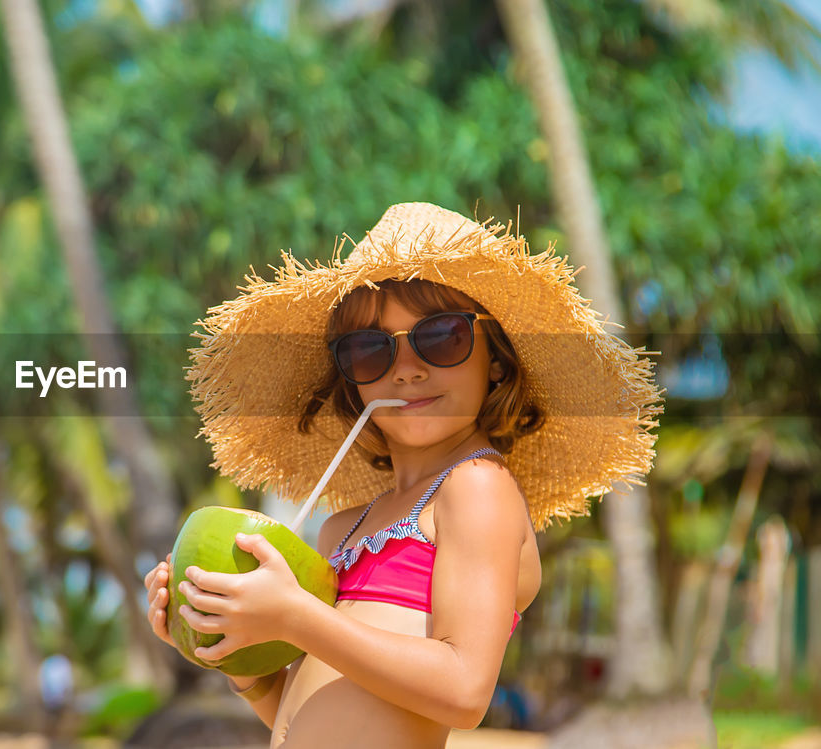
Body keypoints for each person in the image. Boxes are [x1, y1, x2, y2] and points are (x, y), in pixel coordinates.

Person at [143, 203, 662, 748]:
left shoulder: (476, 489)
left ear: (498, 361)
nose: (406, 367)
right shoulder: (341, 530)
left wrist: (295, 617)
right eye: (370, 350)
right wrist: (235, 653)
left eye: (440, 338)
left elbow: (465, 690)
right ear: (353, 383)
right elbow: (312, 717)